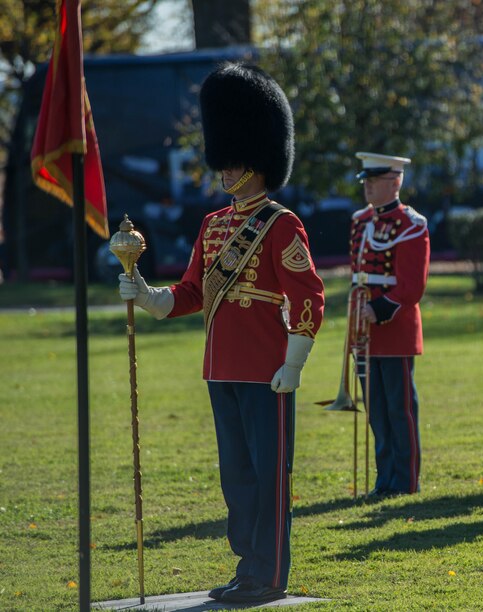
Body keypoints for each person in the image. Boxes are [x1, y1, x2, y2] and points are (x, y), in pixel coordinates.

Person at [118, 63, 325, 603]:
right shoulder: (212, 226)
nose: (224, 171)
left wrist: (294, 363)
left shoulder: (281, 225)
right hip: (220, 369)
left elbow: (309, 297)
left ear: (255, 161)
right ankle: (247, 566)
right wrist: (143, 293)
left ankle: (269, 575)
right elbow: (191, 294)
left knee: (268, 476)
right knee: (237, 477)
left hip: (266, 370)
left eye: (232, 162)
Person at [351, 152, 430, 497]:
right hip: (364, 330)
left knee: (400, 410)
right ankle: (384, 479)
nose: (367, 185)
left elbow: (412, 285)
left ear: (395, 181)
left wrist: (378, 309)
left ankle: (405, 480)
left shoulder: (411, 224)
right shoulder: (360, 221)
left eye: (375, 179)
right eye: (366, 179)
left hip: (394, 327)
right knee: (377, 411)